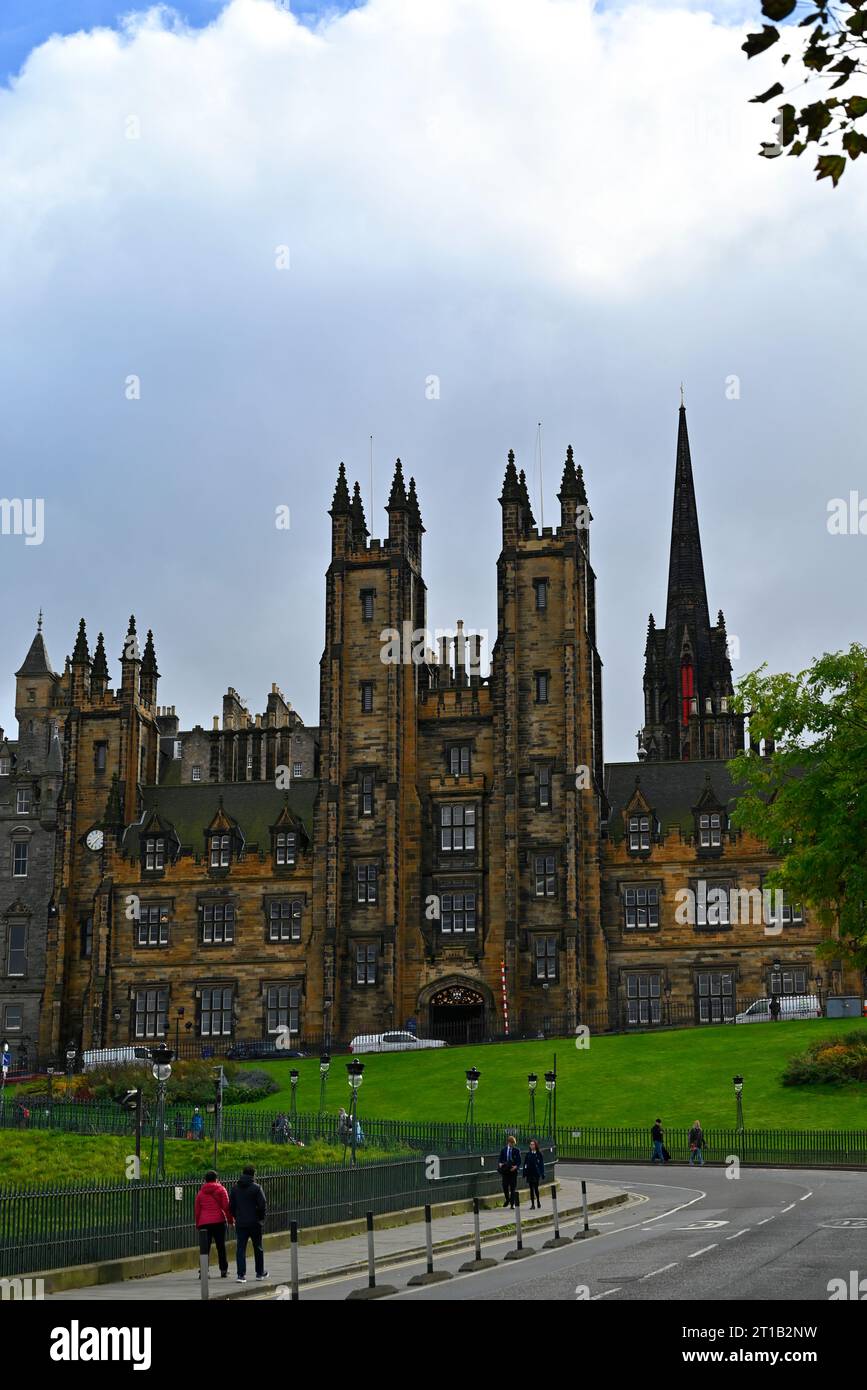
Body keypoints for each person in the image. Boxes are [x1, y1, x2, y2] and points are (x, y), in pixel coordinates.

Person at [230, 1165, 268, 1283]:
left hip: (241, 1222)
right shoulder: (256, 1188)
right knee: (258, 1247)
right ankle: (259, 1273)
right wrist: (260, 1218)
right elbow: (262, 1205)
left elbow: (231, 1206)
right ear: (253, 1175)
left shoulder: (235, 1188)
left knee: (240, 1249)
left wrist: (236, 1217)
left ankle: (241, 1275)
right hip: (254, 1222)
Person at [194, 1170, 232, 1279]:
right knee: (221, 1246)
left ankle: (204, 1272)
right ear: (216, 1179)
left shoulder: (200, 1193)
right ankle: (223, 1270)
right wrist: (230, 1220)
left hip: (204, 1223)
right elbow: (226, 1207)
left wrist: (198, 1224)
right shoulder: (221, 1190)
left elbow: (197, 1210)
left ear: (205, 1180)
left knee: (205, 1248)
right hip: (219, 1222)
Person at [498, 1135, 521, 1208]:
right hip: (505, 1171)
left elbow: (519, 1161)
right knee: (505, 1186)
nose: (513, 1145)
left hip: (513, 1171)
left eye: (514, 1144)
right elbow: (500, 1159)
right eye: (512, 1143)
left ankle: (512, 1203)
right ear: (509, 1142)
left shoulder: (516, 1150)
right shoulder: (503, 1150)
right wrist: (500, 1164)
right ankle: (507, 1199)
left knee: (512, 1187)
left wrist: (516, 1167)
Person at [523, 1139, 545, 1209]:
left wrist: (542, 1173)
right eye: (531, 1144)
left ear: (535, 1145)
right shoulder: (528, 1154)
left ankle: (538, 1201)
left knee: (536, 1188)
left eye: (533, 1144)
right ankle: (532, 1204)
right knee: (531, 1189)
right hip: (530, 1173)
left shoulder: (539, 1154)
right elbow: (525, 1164)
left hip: (536, 1173)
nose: (531, 1146)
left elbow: (541, 1164)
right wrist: (524, 1172)